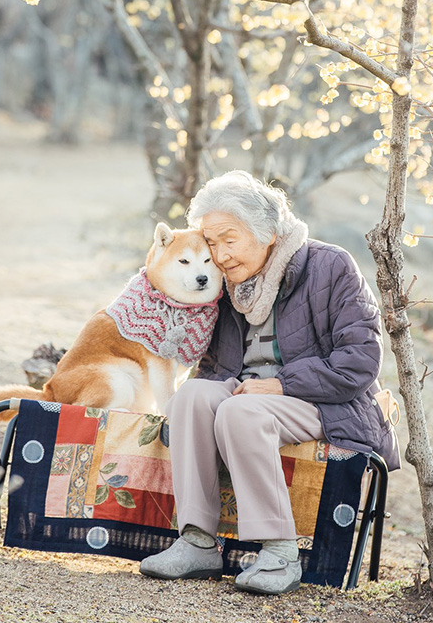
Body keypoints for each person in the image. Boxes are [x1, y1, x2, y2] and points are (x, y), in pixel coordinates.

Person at [139, 170, 400, 595]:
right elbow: (212, 363)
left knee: (241, 411)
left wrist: (281, 384)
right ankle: (198, 542)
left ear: (267, 233)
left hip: (324, 400)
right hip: (245, 390)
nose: (219, 255)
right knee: (191, 397)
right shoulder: (226, 285)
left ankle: (280, 553)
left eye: (229, 239)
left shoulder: (330, 266)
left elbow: (360, 361)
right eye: (212, 242)